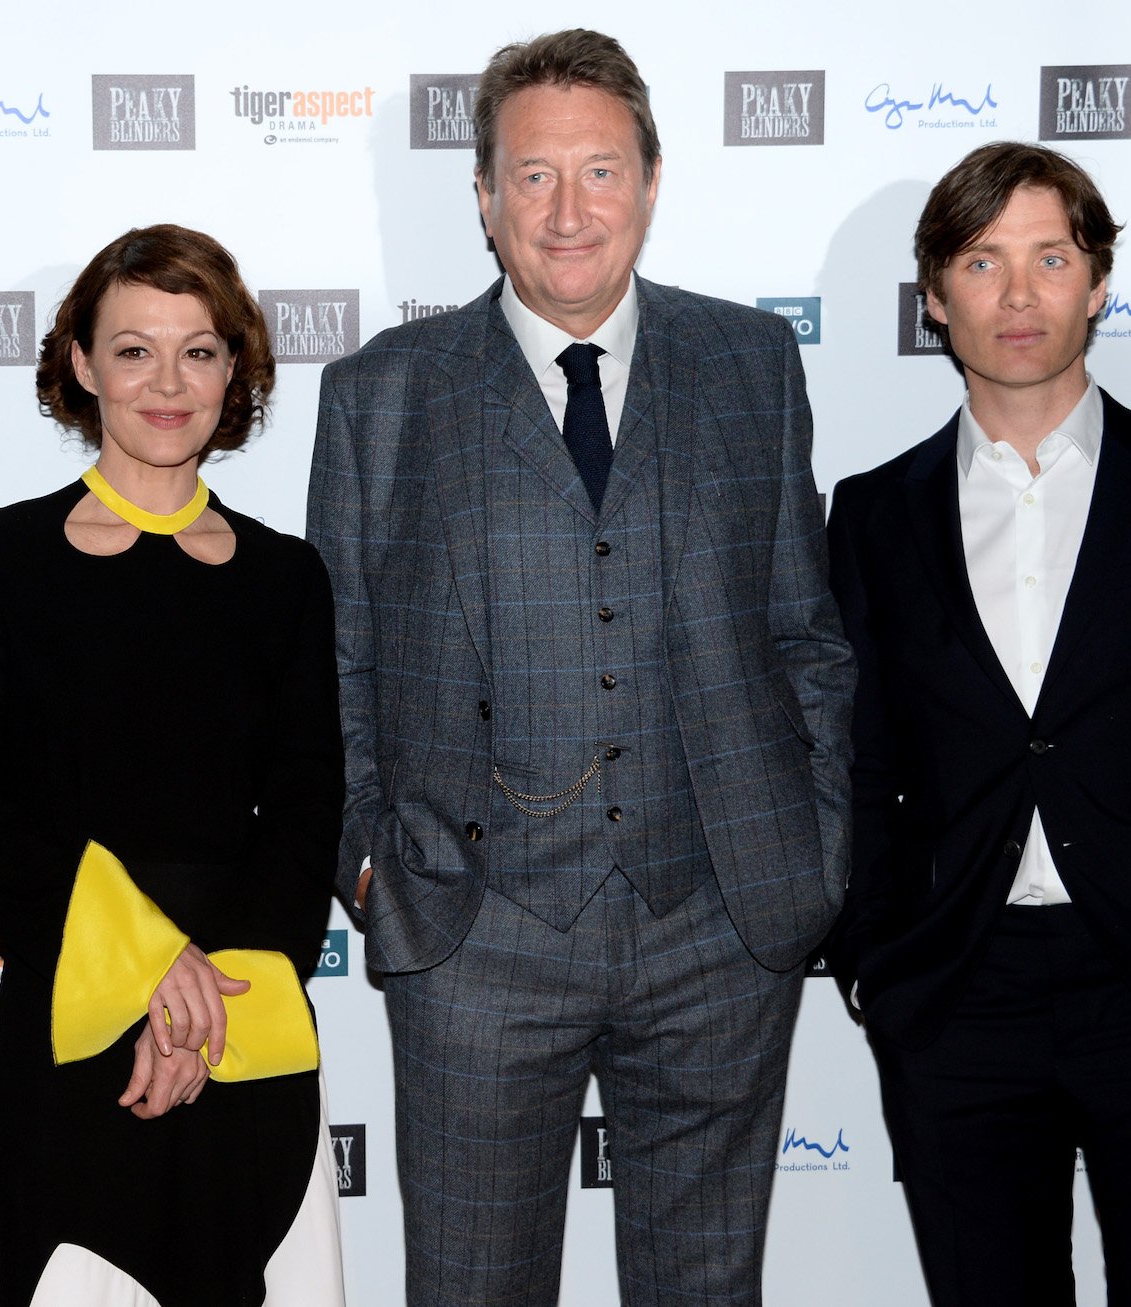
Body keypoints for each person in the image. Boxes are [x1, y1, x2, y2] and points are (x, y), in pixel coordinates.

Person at [306, 29, 854, 1306]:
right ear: (485, 198)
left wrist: (812, 846)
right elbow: (337, 661)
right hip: (474, 936)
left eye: (600, 171)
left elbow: (806, 635)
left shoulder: (751, 364)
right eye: (533, 176)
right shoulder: (381, 394)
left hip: (721, 923)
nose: (568, 211)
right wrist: (376, 866)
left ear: (652, 184)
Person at [823, 141, 1131, 1305]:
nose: (1018, 293)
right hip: (958, 989)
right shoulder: (873, 514)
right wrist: (875, 958)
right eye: (982, 260)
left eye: (1050, 256)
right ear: (936, 296)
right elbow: (860, 762)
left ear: (1098, 282)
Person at [0, 223, 346, 1307]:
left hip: (247, 1032)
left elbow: (306, 815)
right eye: (134, 349)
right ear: (80, 363)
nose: (168, 382)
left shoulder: (288, 577)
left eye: (199, 350)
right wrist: (147, 971)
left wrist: (207, 1007)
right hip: (74, 1032)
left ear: (234, 371)